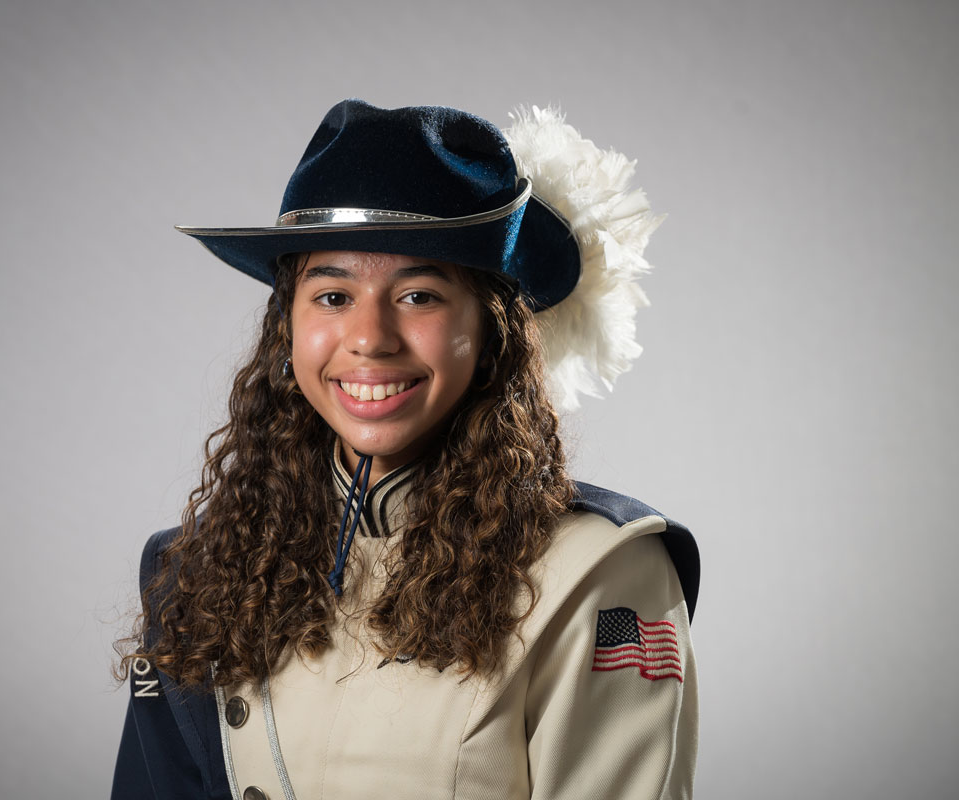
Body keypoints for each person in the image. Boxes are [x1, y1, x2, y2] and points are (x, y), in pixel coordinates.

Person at [112, 99, 700, 800]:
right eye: (331, 296)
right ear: (286, 328)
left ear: (491, 333)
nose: (370, 337)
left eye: (418, 295)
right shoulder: (192, 571)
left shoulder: (600, 571)